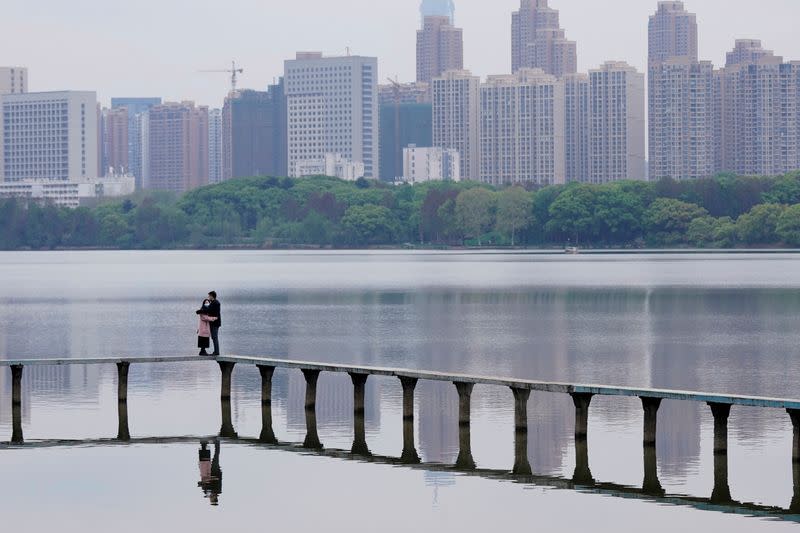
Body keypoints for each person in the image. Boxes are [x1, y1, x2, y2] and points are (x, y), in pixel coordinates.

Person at [206, 291, 222, 356]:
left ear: (212, 296)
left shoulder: (215, 303)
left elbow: (210, 311)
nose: (208, 297)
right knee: (214, 337)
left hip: (215, 323)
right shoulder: (214, 302)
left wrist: (202, 311)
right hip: (214, 322)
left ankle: (216, 352)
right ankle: (216, 351)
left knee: (215, 337)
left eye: (209, 296)